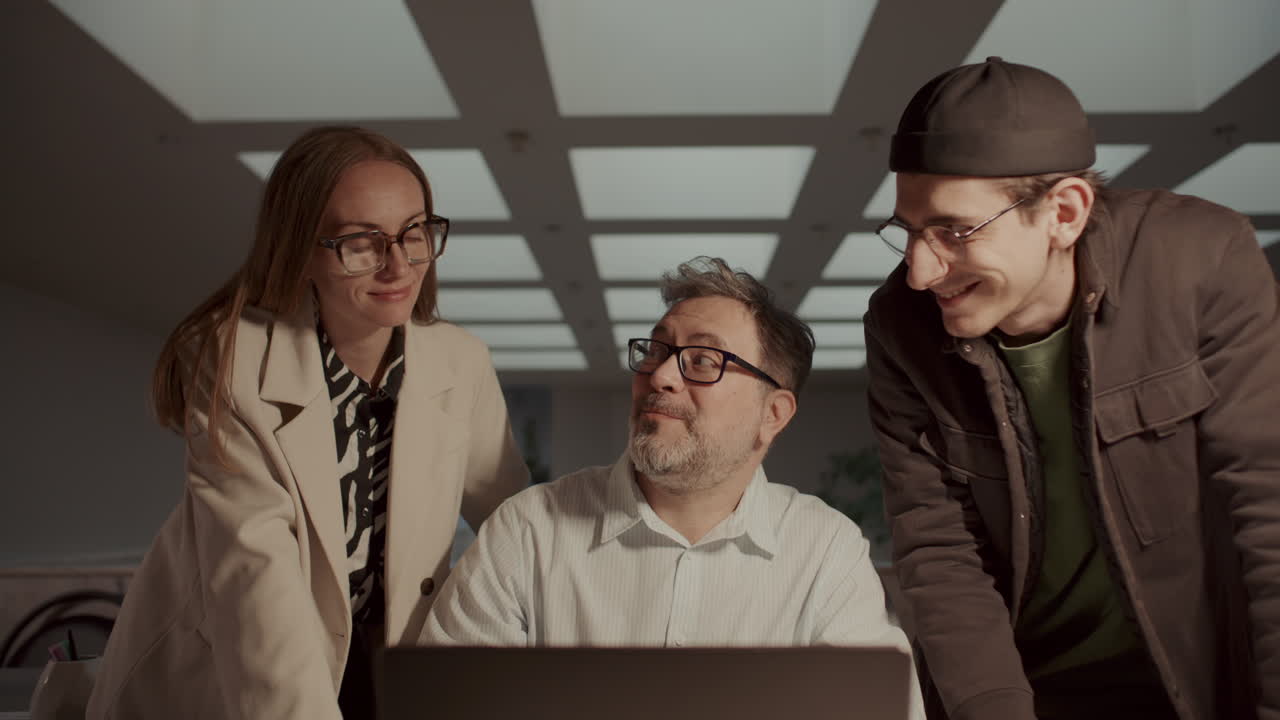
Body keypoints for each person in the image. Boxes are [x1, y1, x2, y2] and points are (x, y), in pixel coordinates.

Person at [864, 57, 1280, 720]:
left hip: (1200, 685)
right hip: (1021, 692)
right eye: (908, 231)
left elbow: (1269, 506)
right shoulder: (898, 330)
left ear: (1063, 212)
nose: (919, 270)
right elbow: (941, 558)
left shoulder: (1205, 261)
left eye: (952, 230)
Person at [87, 126, 529, 720]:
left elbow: (519, 526)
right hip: (235, 678)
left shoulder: (461, 361)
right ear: (301, 248)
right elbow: (257, 591)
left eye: (414, 232)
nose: (398, 264)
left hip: (382, 667)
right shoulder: (231, 359)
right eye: (361, 242)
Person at [422, 257, 923, 717]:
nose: (659, 375)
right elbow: (443, 706)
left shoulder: (826, 552)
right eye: (657, 350)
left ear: (773, 414)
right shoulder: (527, 529)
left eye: (703, 360)